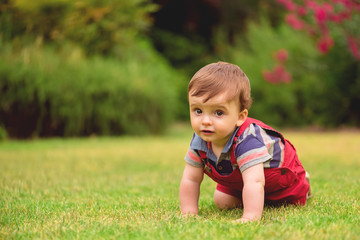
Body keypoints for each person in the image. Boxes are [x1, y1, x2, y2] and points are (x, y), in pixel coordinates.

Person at [179, 61, 311, 223]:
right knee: (222, 201)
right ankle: (256, 199)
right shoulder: (200, 138)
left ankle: (304, 181)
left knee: (287, 201)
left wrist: (249, 217)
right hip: (242, 178)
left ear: (240, 117)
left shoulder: (247, 140)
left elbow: (255, 181)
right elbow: (190, 179)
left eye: (218, 113)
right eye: (198, 111)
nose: (205, 121)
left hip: (280, 178)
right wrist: (189, 213)